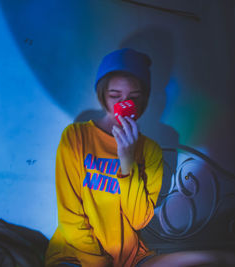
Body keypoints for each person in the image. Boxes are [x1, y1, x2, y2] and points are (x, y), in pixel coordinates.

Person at [45, 48, 163, 267]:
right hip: (74, 254)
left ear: (144, 99)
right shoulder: (75, 136)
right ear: (102, 95)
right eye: (115, 96)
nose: (123, 105)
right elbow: (70, 214)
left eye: (133, 98)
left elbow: (138, 220)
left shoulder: (150, 150)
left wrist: (127, 160)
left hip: (129, 255)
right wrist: (97, 262)